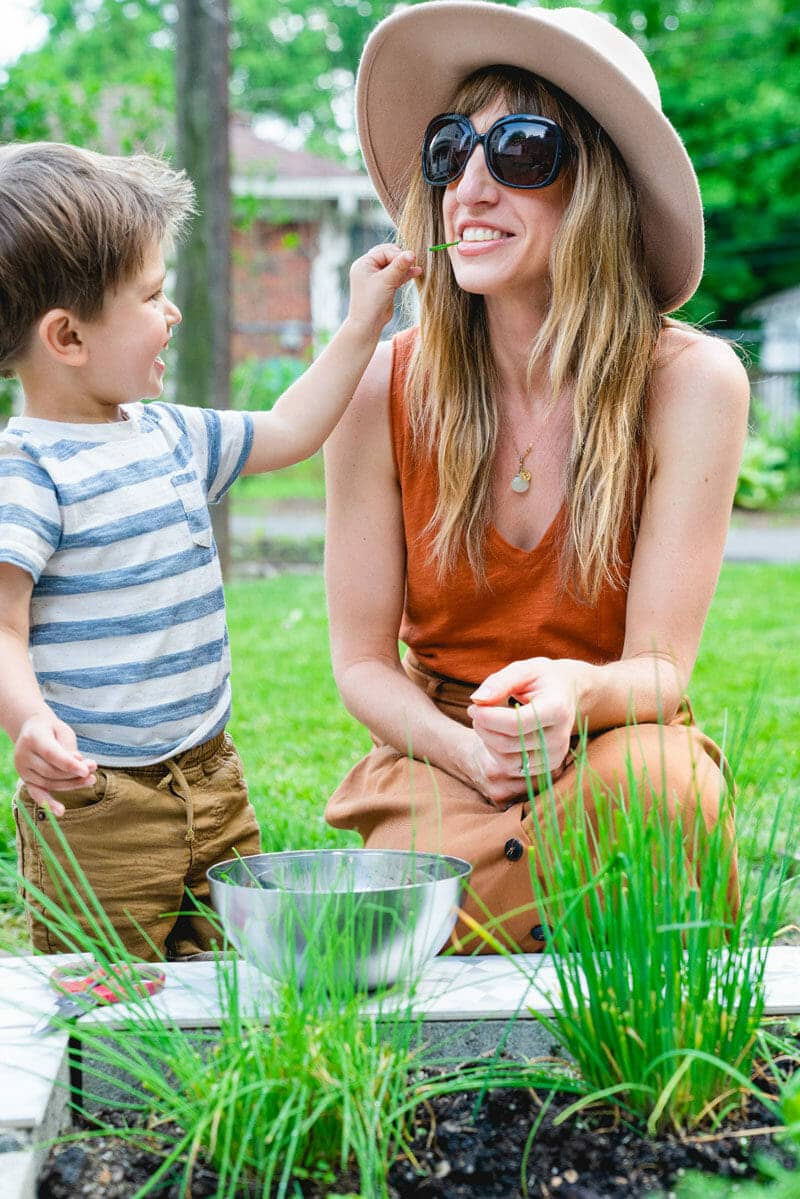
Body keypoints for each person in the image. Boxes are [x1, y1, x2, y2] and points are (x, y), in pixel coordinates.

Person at [324, 1, 748, 952]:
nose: (467, 188)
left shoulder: (689, 384)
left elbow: (659, 672)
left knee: (658, 789)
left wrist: (569, 696)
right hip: (442, 764)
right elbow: (359, 664)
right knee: (455, 868)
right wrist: (467, 750)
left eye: (518, 151)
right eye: (448, 152)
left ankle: (456, 933)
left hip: (609, 754)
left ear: (598, 184)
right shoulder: (378, 389)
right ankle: (568, 932)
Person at [0, 140, 419, 959]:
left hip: (212, 775)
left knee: (235, 975)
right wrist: (28, 721)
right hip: (100, 806)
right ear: (68, 337)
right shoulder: (29, 470)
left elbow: (293, 429)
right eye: (153, 296)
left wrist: (366, 319)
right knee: (104, 1000)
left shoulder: (171, 433)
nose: (173, 312)